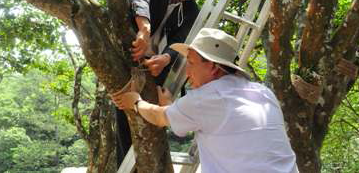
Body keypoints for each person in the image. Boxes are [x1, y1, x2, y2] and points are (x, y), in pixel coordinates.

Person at [113, 28, 299, 173]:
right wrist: (172, 106)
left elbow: (159, 118)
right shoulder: (263, 92)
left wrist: (136, 102)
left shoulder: (209, 97)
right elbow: (219, 123)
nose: (187, 72)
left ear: (212, 67)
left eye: (192, 63)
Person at [116, 0, 217, 166]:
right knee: (125, 118)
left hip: (157, 70)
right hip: (130, 54)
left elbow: (181, 40)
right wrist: (144, 28)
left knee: (154, 122)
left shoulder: (191, 11)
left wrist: (165, 58)